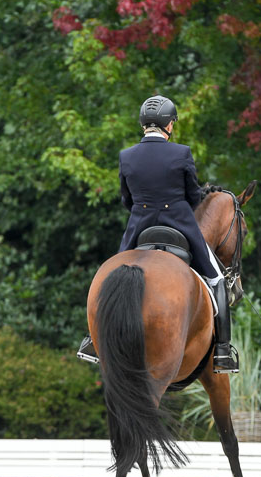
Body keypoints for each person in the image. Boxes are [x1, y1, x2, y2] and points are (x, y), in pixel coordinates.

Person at [78, 95, 238, 373]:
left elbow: (126, 199)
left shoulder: (126, 156)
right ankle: (223, 350)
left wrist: (143, 208)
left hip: (139, 226)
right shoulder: (181, 153)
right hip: (181, 224)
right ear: (169, 125)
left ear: (143, 125)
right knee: (216, 278)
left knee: (111, 279)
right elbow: (192, 195)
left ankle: (93, 340)